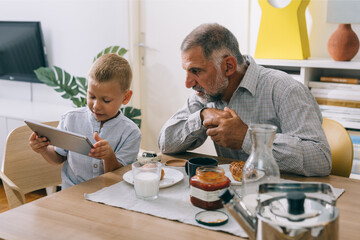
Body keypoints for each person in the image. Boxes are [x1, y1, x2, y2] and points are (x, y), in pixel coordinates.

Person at [158, 23, 331, 176]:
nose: (188, 83)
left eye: (196, 71)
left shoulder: (286, 89)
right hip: (231, 195)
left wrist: (247, 138)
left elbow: (320, 159)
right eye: (186, 71)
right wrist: (202, 116)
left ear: (228, 66)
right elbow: (165, 144)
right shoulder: (205, 94)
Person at [29, 54, 141, 189]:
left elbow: (119, 178)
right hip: (71, 193)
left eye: (106, 100)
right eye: (91, 96)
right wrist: (44, 150)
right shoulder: (70, 119)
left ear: (126, 97)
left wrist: (109, 157)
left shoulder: (131, 133)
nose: (96, 106)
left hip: (109, 195)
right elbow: (58, 157)